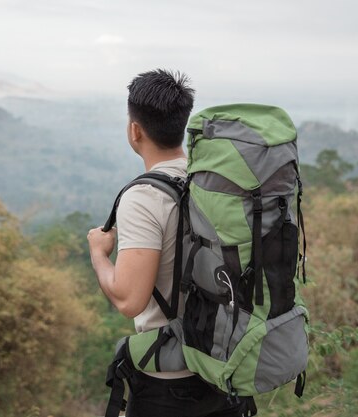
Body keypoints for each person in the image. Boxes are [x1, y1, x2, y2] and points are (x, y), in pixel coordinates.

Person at [87, 69, 247, 417]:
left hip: (168, 381)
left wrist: (99, 254)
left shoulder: (144, 197)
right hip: (222, 365)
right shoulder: (209, 182)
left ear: (135, 130)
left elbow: (130, 300)